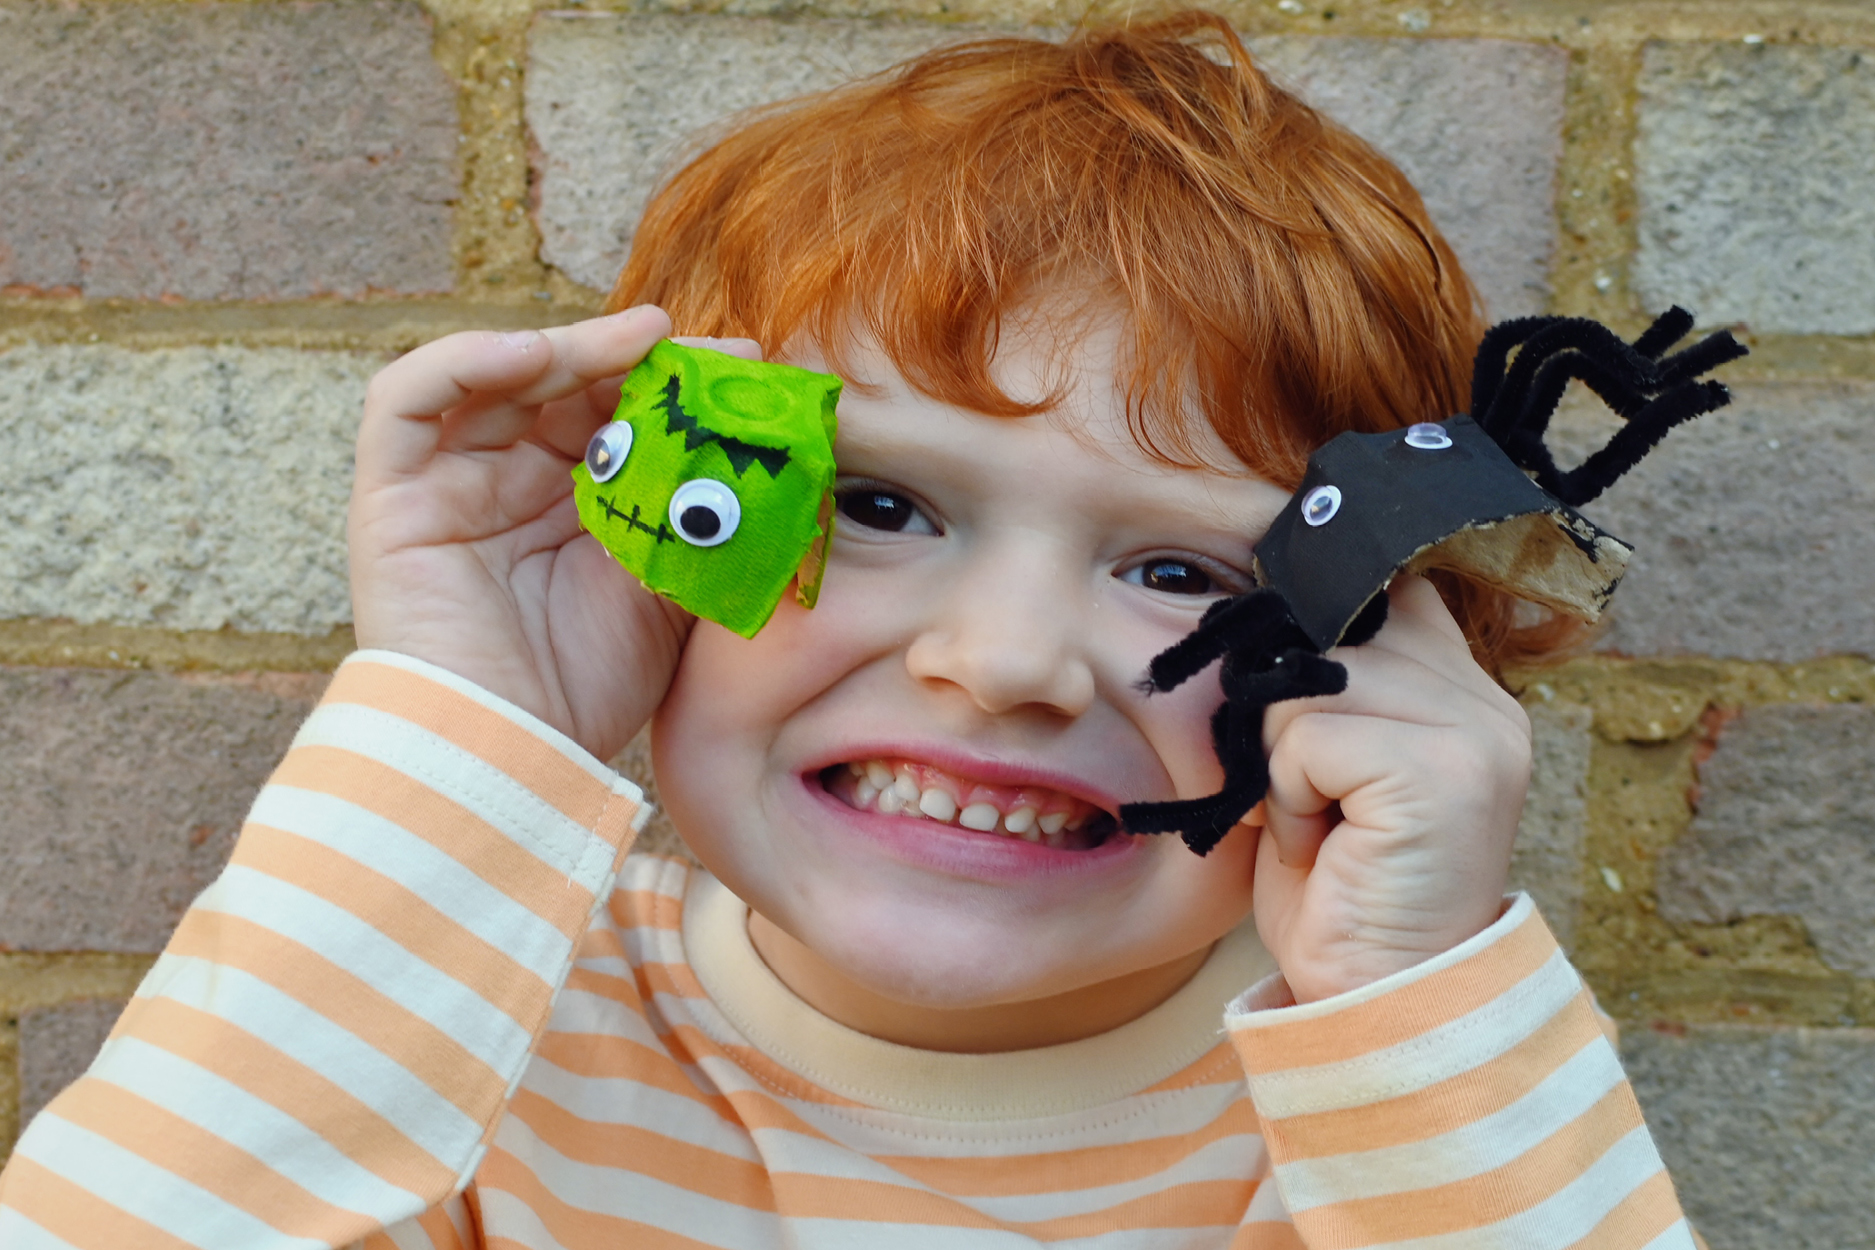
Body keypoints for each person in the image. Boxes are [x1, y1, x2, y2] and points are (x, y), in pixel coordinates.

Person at [0, 12, 1697, 1247]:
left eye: (1192, 573)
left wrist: (1417, 1004)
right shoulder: (443, 1034)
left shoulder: (1409, 1129)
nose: (1005, 658)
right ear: (663, 531)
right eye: (879, 506)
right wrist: (457, 729)